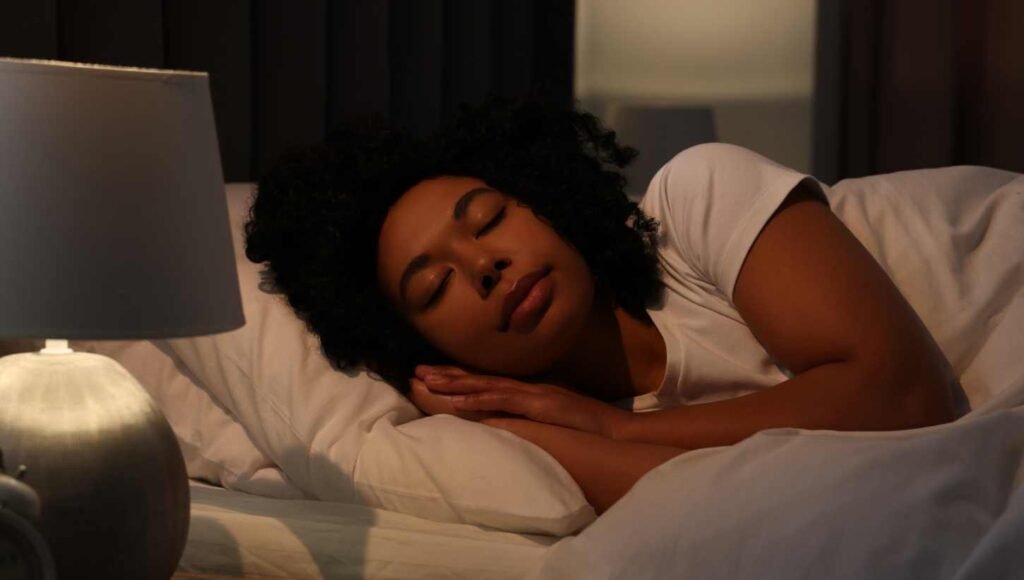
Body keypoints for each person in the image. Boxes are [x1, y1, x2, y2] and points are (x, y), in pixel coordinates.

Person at [244, 97, 963, 513]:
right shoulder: (515, 426)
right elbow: (712, 509)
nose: (485, 265)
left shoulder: (698, 194)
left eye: (489, 218)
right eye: (435, 288)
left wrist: (611, 429)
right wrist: (558, 427)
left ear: (549, 201)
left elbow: (904, 396)